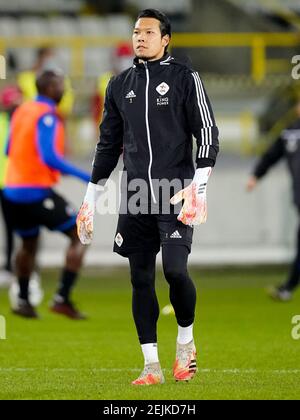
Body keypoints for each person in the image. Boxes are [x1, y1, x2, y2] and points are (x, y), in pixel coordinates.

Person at [77, 9, 219, 385]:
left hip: (177, 192)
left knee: (174, 270)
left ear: (165, 38)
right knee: (140, 277)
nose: (140, 37)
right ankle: (151, 365)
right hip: (136, 194)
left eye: (148, 32)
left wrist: (199, 185)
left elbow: (207, 132)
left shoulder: (185, 77)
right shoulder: (119, 84)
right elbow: (107, 146)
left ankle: (186, 344)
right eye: (136, 31)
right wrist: (90, 198)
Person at [3, 69, 90, 319]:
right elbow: (49, 156)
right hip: (35, 192)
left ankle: (22, 301)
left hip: (12, 191)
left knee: (28, 243)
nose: (64, 89)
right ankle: (62, 297)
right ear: (51, 89)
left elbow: (9, 149)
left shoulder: (22, 110)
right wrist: (85, 175)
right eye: (61, 85)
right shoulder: (48, 115)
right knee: (81, 234)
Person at [247, 99, 300, 302]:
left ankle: (288, 288)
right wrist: (256, 176)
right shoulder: (290, 132)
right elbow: (271, 155)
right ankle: (287, 288)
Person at [0, 86, 22, 286]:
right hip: (9, 182)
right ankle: (9, 267)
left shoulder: (19, 123)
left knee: (14, 228)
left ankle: (13, 267)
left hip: (13, 183)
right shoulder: (12, 123)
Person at [18, 47, 74, 118]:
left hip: (55, 117)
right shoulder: (26, 78)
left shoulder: (62, 80)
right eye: (48, 57)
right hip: (33, 116)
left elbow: (66, 106)